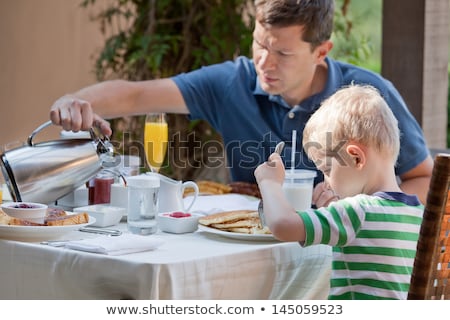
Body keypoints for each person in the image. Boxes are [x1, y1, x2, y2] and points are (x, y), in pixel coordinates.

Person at [49, 0, 432, 206]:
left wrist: (361, 202)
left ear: (321, 51)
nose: (264, 62)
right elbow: (136, 94)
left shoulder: (366, 97)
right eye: (259, 44)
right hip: (250, 253)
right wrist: (78, 101)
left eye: (282, 53)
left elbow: (424, 178)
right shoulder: (232, 82)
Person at [254, 84, 424, 300]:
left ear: (356, 158)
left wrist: (269, 184)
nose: (326, 181)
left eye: (326, 169)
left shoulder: (358, 212)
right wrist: (331, 211)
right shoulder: (420, 214)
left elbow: (282, 225)